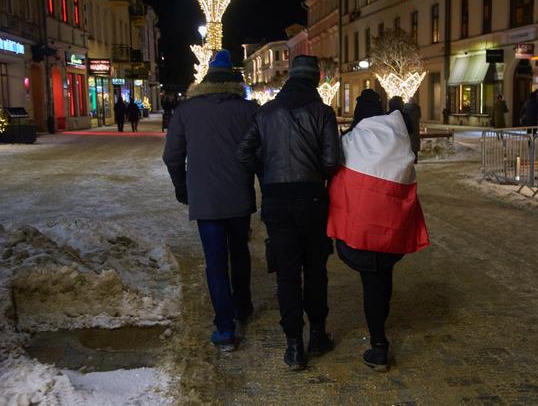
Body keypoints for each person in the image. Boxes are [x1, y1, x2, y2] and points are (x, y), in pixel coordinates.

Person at [237, 55, 340, 370]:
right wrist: (315, 175)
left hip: (277, 202)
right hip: (311, 200)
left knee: (286, 273)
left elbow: (243, 153)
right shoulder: (322, 113)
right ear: (315, 80)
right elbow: (332, 161)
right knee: (315, 268)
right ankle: (318, 334)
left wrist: (267, 174)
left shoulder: (266, 113)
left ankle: (294, 346)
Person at [327, 90, 429, 372]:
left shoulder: (349, 142)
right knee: (381, 280)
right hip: (390, 233)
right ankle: (378, 339)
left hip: (359, 233)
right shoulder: (399, 140)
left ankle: (379, 343)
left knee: (372, 282)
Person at [163, 49, 258, 351]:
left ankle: (225, 328)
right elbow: (260, 154)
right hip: (239, 196)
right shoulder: (248, 110)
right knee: (240, 252)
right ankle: (243, 305)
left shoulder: (187, 111)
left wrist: (182, 188)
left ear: (207, 77)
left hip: (205, 200)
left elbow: (172, 156)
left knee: (215, 261)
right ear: (232, 77)